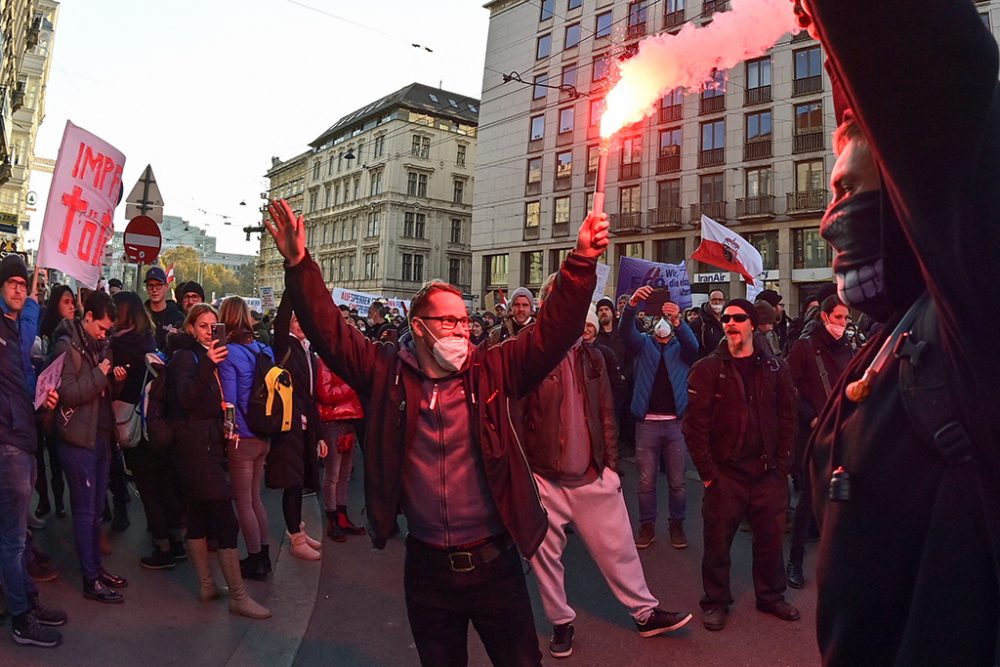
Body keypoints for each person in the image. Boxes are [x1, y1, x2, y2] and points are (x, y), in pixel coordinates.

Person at [265, 197, 609, 666]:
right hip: (428, 570)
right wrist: (300, 265)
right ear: (418, 326)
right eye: (448, 320)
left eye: (464, 320)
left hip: (497, 566)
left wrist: (582, 261)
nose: (460, 330)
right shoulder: (385, 373)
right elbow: (330, 332)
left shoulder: (493, 369)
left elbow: (552, 332)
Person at [790, 3, 1000, 663]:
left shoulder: (976, 321)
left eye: (845, 188)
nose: (830, 217)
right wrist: (827, 33)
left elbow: (928, 74)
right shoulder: (895, 330)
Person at [521, 279, 691, 659]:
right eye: (561, 298)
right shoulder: (528, 354)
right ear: (547, 303)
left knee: (621, 548)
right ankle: (561, 623)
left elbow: (606, 415)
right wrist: (524, 478)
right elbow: (515, 418)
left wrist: (611, 468)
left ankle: (645, 614)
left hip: (592, 474)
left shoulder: (593, 355)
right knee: (545, 559)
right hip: (544, 477)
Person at [684, 299, 799, 631]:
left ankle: (771, 596)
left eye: (738, 318)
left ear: (752, 324)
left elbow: (787, 417)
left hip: (768, 474)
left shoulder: (775, 367)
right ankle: (716, 601)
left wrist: (782, 465)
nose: (730, 322)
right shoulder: (707, 368)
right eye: (727, 318)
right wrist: (708, 475)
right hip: (726, 474)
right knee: (717, 543)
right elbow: (695, 426)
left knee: (771, 539)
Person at [167, 303, 270, 619]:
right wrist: (207, 365)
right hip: (193, 449)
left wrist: (223, 421)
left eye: (214, 327)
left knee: (198, 516)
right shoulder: (187, 357)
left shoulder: (205, 356)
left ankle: (207, 585)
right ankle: (239, 597)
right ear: (190, 328)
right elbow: (184, 399)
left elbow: (208, 402)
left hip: (206, 444)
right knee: (226, 519)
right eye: (203, 326)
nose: (210, 332)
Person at [0, 255, 65, 647]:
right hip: (8, 440)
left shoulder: (11, 326)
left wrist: (43, 396)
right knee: (13, 537)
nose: (20, 289)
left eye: (24, 284)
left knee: (15, 534)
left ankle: (27, 600)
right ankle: (22, 617)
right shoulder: (5, 330)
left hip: (20, 437)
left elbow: (21, 378)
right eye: (12, 283)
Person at [51, 290, 130, 603]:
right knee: (85, 513)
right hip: (77, 440)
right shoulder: (65, 346)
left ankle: (97, 568)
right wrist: (101, 375)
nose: (104, 333)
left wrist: (114, 380)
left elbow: (101, 390)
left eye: (108, 330)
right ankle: (89, 579)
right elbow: (66, 393)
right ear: (87, 318)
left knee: (97, 512)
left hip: (100, 436)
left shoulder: (100, 346)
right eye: (100, 327)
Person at [784, 294, 855, 589]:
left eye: (846, 318)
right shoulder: (803, 347)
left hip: (844, 432)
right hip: (814, 433)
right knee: (809, 502)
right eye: (838, 318)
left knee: (844, 500)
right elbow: (788, 387)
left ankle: (841, 563)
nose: (843, 324)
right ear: (825, 317)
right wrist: (810, 416)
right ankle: (795, 562)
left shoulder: (848, 349)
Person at [110, 291, 185, 570]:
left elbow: (119, 390)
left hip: (136, 425)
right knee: (165, 485)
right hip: (157, 426)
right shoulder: (149, 342)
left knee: (148, 489)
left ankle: (162, 547)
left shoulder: (119, 345)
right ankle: (176, 542)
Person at [620, 285, 698, 550]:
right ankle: (647, 525)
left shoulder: (681, 347)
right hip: (647, 425)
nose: (662, 325)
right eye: (659, 321)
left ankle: (676, 524)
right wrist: (632, 306)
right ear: (652, 324)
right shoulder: (642, 345)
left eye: (667, 321)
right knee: (645, 482)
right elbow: (625, 332)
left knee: (678, 482)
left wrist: (680, 321)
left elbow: (694, 347)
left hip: (675, 424)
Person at [217, 296, 274, 579]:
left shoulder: (228, 353)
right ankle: (264, 555)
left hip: (242, 435)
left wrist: (230, 433)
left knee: (243, 502)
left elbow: (228, 401)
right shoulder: (264, 349)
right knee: (255, 499)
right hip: (265, 433)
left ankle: (253, 559)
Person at [268, 295, 324, 561]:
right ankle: (295, 537)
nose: (301, 324)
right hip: (289, 424)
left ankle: (297, 528)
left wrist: (319, 433)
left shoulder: (308, 349)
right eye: (296, 319)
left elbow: (312, 396)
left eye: (304, 319)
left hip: (305, 425)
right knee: (292, 482)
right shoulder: (284, 345)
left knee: (300, 481)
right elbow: (280, 323)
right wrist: (292, 291)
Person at [32, 285, 76, 520]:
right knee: (39, 456)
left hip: (61, 403)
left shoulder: (75, 333)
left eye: (73, 301)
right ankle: (44, 500)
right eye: (66, 301)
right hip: (38, 401)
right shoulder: (44, 330)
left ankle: (59, 501)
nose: (72, 306)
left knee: (58, 457)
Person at [315, 352, 366, 542]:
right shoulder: (324, 360)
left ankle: (341, 516)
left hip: (348, 419)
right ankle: (333, 517)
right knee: (334, 473)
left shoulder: (345, 361)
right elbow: (325, 394)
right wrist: (352, 386)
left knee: (344, 473)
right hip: (333, 421)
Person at [144, 267, 184, 351]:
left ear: (166, 286)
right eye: (150, 285)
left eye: (158, 285)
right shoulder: (141, 316)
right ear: (147, 288)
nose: (154, 290)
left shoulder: (178, 317)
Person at [689, 290, 725, 358]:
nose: (717, 302)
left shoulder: (728, 320)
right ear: (709, 301)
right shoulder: (699, 323)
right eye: (714, 299)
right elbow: (693, 347)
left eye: (720, 299)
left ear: (724, 302)